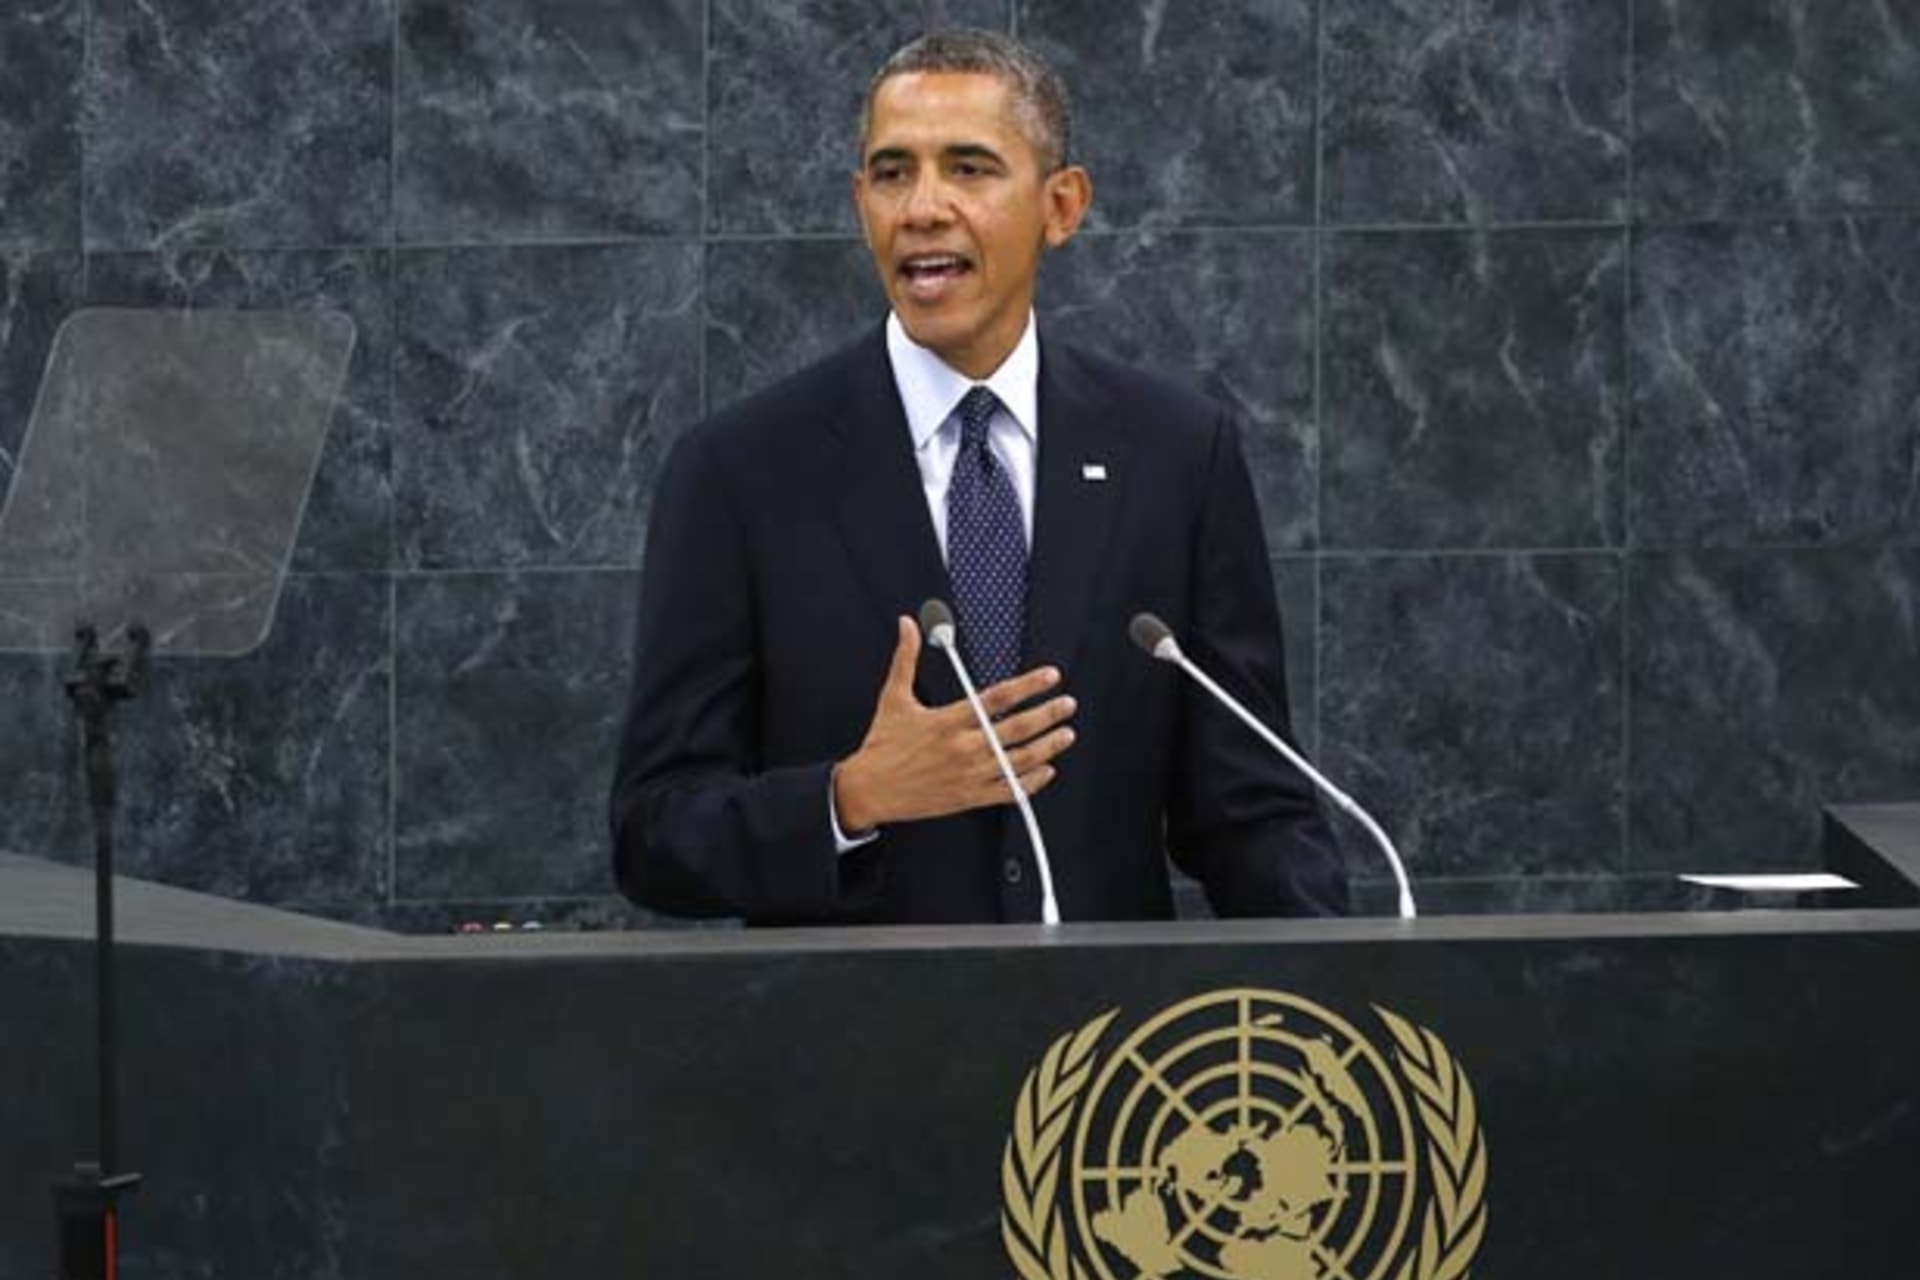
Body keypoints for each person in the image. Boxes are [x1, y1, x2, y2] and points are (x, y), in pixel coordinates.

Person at [610, 29, 1347, 925]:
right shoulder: (739, 471)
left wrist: (1341, 998)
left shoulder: (1176, 454)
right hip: (844, 1046)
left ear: (1062, 205)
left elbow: (1250, 808)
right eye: (892, 173)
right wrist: (848, 800)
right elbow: (653, 833)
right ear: (860, 203)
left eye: (968, 168)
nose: (922, 207)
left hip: (1105, 1047)